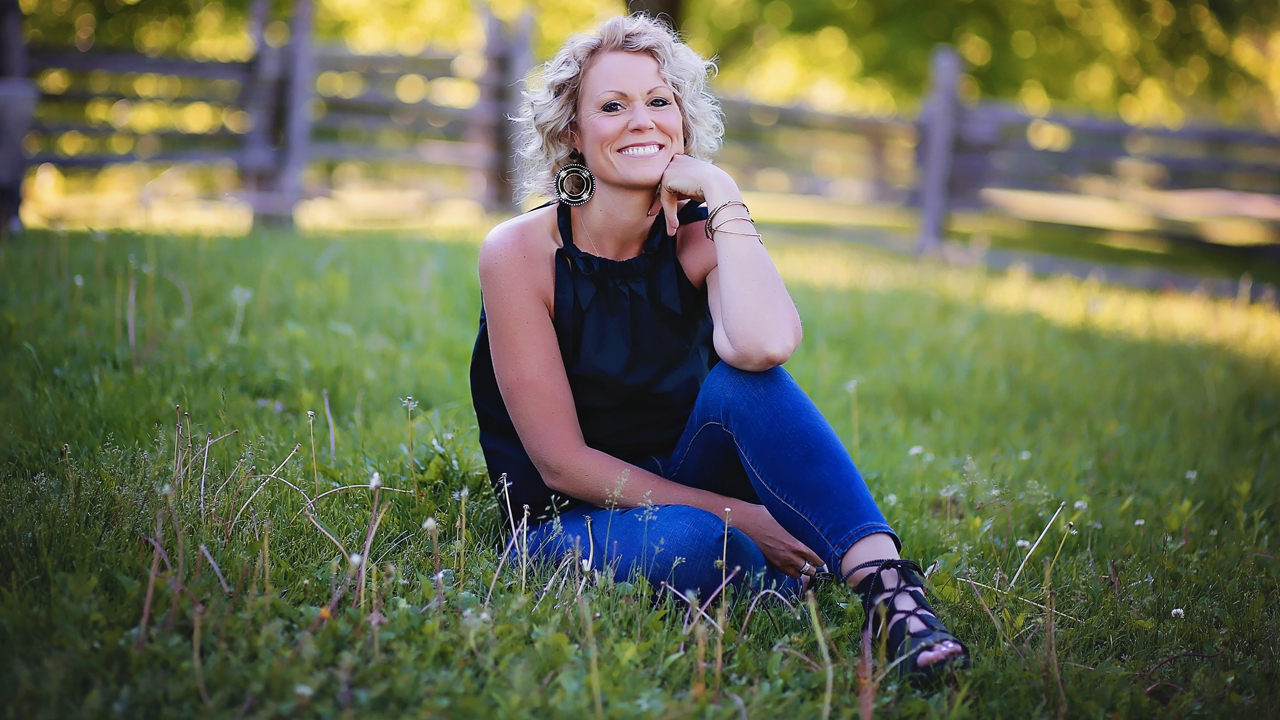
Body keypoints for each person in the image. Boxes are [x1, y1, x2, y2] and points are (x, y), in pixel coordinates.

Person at [469, 14, 967, 681]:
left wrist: (724, 194)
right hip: (572, 518)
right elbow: (560, 464)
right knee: (703, 540)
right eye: (612, 106)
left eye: (659, 100)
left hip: (685, 474)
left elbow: (766, 346)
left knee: (743, 384)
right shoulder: (520, 254)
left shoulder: (702, 236)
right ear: (573, 134)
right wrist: (742, 516)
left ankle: (892, 594)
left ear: (682, 118)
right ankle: (765, 565)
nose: (641, 120)